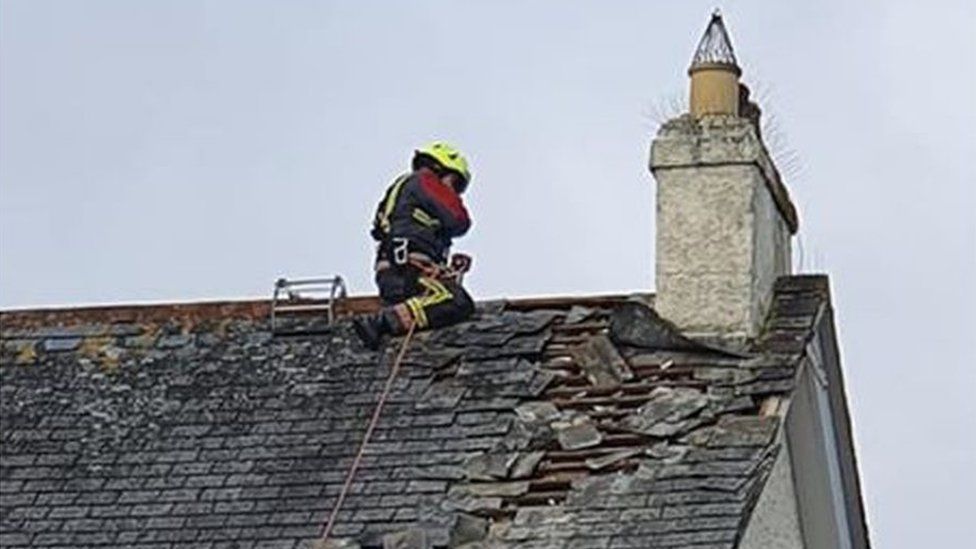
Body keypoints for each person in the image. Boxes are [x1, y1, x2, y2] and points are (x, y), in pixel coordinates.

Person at [352, 141, 476, 349]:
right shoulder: (425, 180)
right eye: (453, 182)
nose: (453, 191)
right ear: (439, 167)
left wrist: (446, 268)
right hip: (407, 273)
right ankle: (381, 322)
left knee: (443, 298)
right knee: (456, 301)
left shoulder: (403, 191)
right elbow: (458, 219)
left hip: (397, 272)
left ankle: (397, 317)